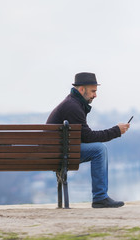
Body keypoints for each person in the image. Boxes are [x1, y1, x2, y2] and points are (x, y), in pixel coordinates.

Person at [46, 72, 130, 208]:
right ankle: (100, 197)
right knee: (99, 150)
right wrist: (116, 131)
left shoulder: (73, 102)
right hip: (58, 154)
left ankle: (100, 197)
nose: (95, 95)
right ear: (81, 89)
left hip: (56, 151)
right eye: (93, 91)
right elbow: (88, 137)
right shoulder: (73, 106)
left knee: (98, 149)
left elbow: (84, 137)